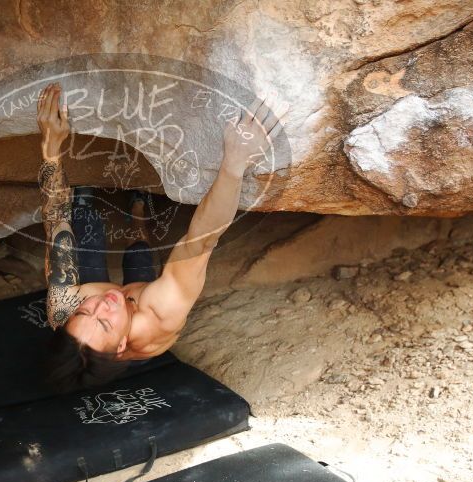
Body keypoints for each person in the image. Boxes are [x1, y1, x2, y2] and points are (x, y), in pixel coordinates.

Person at [35, 81, 286, 391]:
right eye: (103, 322)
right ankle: (138, 209)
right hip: (144, 316)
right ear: (122, 344)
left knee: (80, 232)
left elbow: (55, 218)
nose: (102, 305)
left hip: (105, 319)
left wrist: (51, 148)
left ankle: (88, 202)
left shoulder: (64, 308)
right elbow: (201, 240)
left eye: (86, 312)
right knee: (140, 257)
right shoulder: (160, 311)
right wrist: (235, 162)